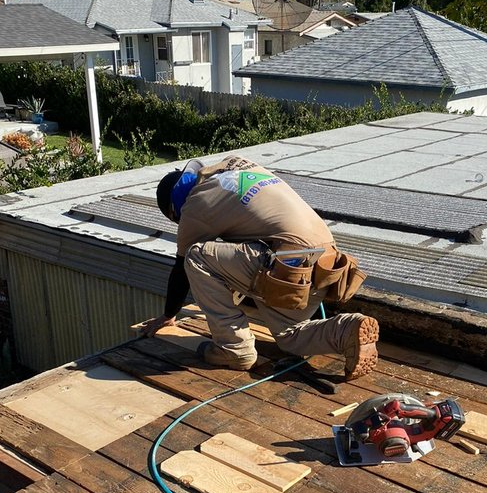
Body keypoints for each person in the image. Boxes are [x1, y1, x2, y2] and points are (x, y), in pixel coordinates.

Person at [136, 155, 379, 380]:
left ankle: (234, 348)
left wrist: (169, 315)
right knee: (290, 337)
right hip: (328, 263)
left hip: (288, 265)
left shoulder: (195, 205)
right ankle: (346, 330)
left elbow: (181, 271)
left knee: (196, 255)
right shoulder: (237, 166)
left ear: (174, 209)